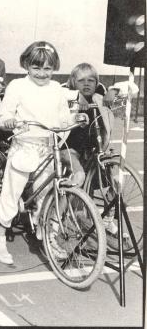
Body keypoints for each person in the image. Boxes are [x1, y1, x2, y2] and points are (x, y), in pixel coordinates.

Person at [0, 41, 78, 265]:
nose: (41, 73)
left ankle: (47, 234)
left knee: (48, 193)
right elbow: (3, 115)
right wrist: (8, 121)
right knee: (11, 192)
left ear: (54, 68)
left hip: (49, 148)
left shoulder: (57, 89)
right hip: (24, 146)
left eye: (47, 68)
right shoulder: (18, 86)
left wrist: (75, 120)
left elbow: (64, 118)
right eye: (36, 68)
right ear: (27, 65)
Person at [63, 63, 117, 234]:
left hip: (94, 149)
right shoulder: (67, 94)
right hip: (69, 148)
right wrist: (76, 100)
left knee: (117, 177)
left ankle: (107, 217)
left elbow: (130, 87)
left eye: (91, 80)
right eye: (81, 81)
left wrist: (114, 91)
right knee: (78, 175)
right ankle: (56, 221)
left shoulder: (99, 94)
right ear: (73, 82)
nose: (86, 84)